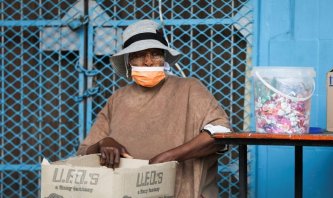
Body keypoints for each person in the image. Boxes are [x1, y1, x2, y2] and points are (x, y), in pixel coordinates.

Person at [77, 19, 231, 198]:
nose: (148, 62)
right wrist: (104, 143)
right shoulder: (117, 99)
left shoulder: (190, 88)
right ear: (128, 61)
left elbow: (221, 133)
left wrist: (168, 157)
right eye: (139, 55)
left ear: (164, 58)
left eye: (156, 54)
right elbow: (83, 153)